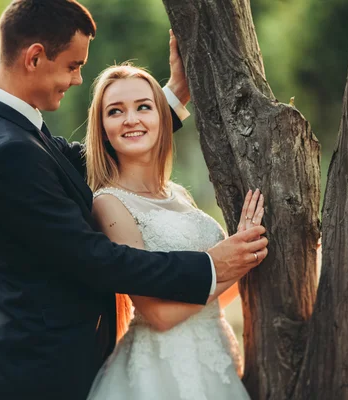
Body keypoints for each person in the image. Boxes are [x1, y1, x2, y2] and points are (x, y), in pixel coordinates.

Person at [0, 1, 268, 399]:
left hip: (52, 364)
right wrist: (211, 264)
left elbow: (95, 155)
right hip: (40, 376)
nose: (79, 79)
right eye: (73, 65)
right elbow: (93, 257)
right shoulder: (6, 148)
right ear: (35, 57)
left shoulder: (3, 127)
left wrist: (170, 97)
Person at [84, 64, 261, 400]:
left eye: (143, 107)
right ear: (103, 129)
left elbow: (217, 295)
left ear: (162, 118)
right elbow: (159, 315)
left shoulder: (178, 194)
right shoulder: (109, 204)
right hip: (160, 368)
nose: (131, 119)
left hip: (212, 356)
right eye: (115, 111)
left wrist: (244, 254)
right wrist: (233, 263)